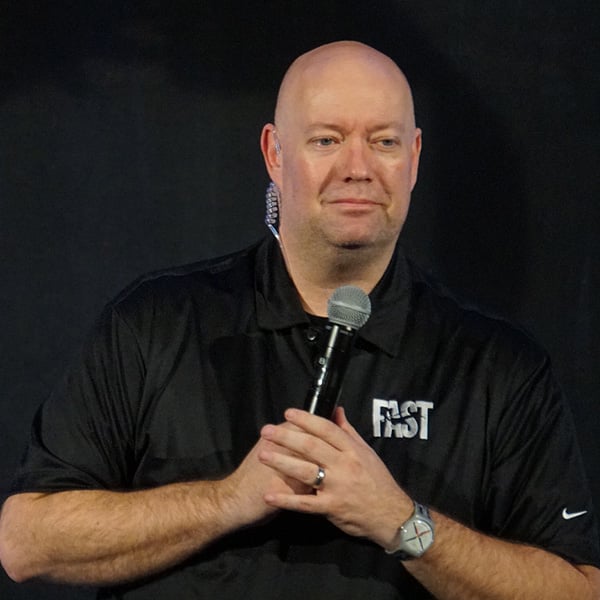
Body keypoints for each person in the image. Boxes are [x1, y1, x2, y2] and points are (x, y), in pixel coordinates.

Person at [0, 40, 599, 599]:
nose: (358, 167)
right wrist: (227, 501)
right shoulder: (154, 322)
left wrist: (400, 522)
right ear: (273, 154)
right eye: (327, 140)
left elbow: (580, 588)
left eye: (385, 142)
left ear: (414, 159)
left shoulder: (499, 364)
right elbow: (24, 541)